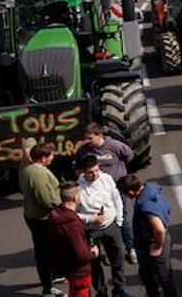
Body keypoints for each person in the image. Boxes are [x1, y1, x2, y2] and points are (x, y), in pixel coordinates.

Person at [75, 123, 136, 263]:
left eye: (90, 138)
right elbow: (78, 168)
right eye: (86, 138)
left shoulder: (115, 146)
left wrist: (121, 174)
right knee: (101, 223)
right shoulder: (83, 151)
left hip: (115, 190)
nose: (87, 142)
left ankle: (130, 248)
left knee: (122, 219)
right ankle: (109, 251)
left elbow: (129, 156)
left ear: (99, 135)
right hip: (95, 194)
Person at [117, 174, 178, 297]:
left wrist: (157, 247)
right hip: (155, 241)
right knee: (147, 273)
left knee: (164, 278)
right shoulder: (151, 190)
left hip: (153, 243)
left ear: (130, 192)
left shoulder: (146, 206)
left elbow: (159, 229)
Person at [76, 155, 128, 297]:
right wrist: (91, 219)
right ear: (83, 172)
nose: (95, 175)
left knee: (118, 258)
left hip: (111, 226)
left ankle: (119, 289)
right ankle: (101, 291)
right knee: (94, 263)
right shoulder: (78, 188)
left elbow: (117, 199)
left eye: (97, 170)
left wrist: (119, 221)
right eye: (91, 172)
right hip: (92, 230)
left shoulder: (107, 179)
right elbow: (74, 215)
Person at [20, 142, 62, 297]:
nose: (53, 157)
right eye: (51, 155)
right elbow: (46, 199)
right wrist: (62, 205)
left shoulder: (27, 169)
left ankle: (50, 280)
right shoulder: (39, 174)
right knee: (45, 253)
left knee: (43, 251)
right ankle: (48, 287)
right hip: (42, 219)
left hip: (32, 215)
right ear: (43, 158)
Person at [48, 181, 99, 297]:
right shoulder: (72, 224)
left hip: (67, 266)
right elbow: (81, 255)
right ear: (75, 197)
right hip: (79, 271)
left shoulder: (56, 216)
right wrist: (93, 253)